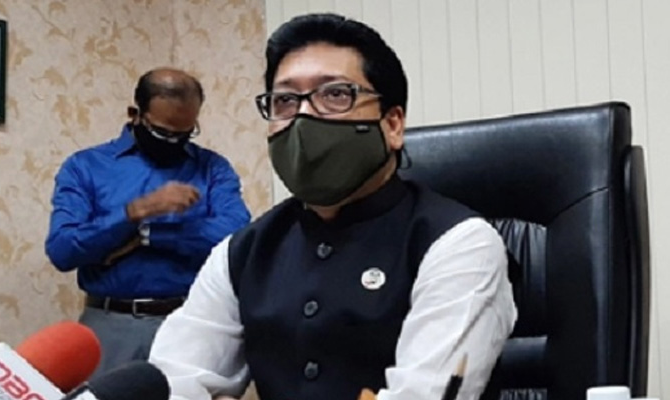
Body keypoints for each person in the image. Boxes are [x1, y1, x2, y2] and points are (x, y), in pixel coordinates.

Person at [149, 14, 516, 400]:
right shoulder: (241, 252)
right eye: (285, 100)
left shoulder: (460, 244)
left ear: (392, 125)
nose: (304, 116)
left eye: (336, 94)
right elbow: (173, 382)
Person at [45, 68, 251, 377]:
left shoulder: (213, 168)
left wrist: (147, 234)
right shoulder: (85, 166)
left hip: (191, 322)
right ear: (135, 115)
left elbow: (236, 240)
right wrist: (135, 211)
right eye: (163, 133)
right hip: (111, 325)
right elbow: (62, 251)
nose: (174, 142)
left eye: (185, 133)